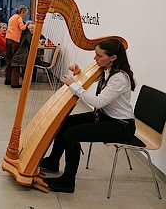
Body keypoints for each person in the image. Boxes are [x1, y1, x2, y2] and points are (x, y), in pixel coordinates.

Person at [40, 38, 136, 193]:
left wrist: (73, 85)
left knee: (72, 134)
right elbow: (94, 80)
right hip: (104, 117)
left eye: (99, 56)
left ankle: (68, 180)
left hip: (120, 125)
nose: (95, 58)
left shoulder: (119, 78)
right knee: (65, 122)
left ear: (113, 58)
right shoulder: (107, 69)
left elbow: (98, 102)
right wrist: (79, 73)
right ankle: (53, 161)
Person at [5, 5, 28, 88]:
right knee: (15, 61)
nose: (24, 15)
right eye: (24, 14)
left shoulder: (12, 17)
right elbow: (22, 27)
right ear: (22, 12)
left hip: (8, 39)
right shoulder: (19, 18)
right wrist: (27, 24)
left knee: (9, 59)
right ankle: (14, 82)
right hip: (15, 41)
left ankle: (7, 79)